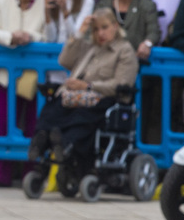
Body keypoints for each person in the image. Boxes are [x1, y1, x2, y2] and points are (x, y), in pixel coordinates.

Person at [29, 9, 139, 170]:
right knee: (53, 107)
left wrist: (89, 86)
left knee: (82, 115)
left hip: (103, 97)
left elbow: (122, 84)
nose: (100, 33)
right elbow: (64, 60)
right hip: (75, 94)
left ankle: (66, 145)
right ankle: (42, 141)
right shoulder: (91, 47)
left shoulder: (125, 50)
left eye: (104, 27)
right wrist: (80, 33)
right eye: (95, 29)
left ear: (115, 26)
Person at [0, 0, 47, 186]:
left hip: (34, 74)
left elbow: (49, 35)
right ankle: (1, 172)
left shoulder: (44, 2)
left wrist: (30, 38)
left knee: (33, 124)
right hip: (6, 73)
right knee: (3, 123)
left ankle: (29, 172)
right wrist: (11, 37)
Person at [94, 0, 161, 56]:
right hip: (105, 56)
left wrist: (147, 43)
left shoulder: (147, 5)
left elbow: (153, 31)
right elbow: (92, 30)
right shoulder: (103, 5)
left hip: (136, 57)